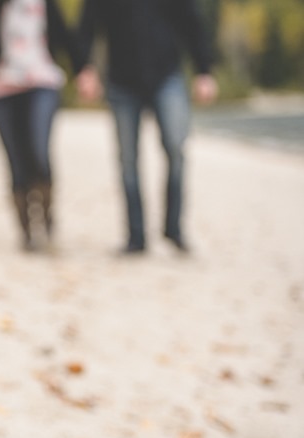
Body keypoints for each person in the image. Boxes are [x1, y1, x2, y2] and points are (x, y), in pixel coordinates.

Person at [75, 0, 218, 254]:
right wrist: (84, 68)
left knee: (176, 146)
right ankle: (136, 236)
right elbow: (88, 24)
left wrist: (203, 71)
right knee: (128, 160)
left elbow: (191, 22)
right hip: (121, 80)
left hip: (167, 75)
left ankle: (173, 229)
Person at [0, 0, 81, 251]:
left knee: (39, 151)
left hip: (41, 81)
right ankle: (27, 232)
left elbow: (63, 31)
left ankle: (47, 215)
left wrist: (82, 69)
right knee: (15, 160)